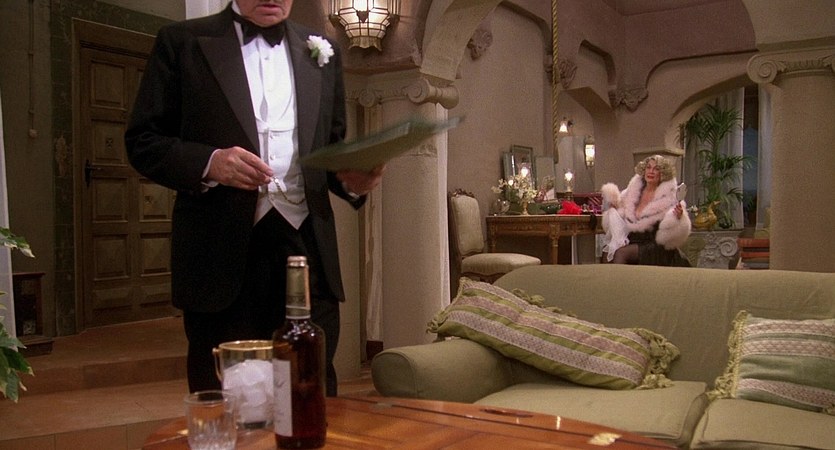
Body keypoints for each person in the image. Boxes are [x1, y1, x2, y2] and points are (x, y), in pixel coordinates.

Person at [125, 0, 383, 396]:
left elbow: (328, 151)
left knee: (309, 394)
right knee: (229, 396)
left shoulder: (322, 50)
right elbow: (143, 142)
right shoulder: (182, 42)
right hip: (220, 254)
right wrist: (210, 163)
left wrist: (352, 180)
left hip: (306, 250)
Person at [600, 155, 691, 266]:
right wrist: (615, 209)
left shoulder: (670, 197)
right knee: (607, 253)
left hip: (656, 245)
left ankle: (620, 279)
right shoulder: (630, 193)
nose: (651, 171)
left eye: (656, 169)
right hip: (633, 240)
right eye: (648, 167)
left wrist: (678, 217)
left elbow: (678, 231)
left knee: (621, 253)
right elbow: (620, 218)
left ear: (663, 173)